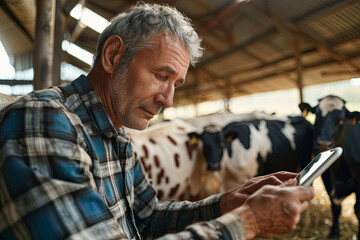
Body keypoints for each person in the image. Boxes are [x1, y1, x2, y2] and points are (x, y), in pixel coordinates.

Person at [0, 2, 314, 240]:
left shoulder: (116, 134)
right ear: (113, 56)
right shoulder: (43, 121)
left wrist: (226, 205)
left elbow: (147, 217)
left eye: (175, 84)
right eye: (161, 76)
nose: (168, 100)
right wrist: (249, 222)